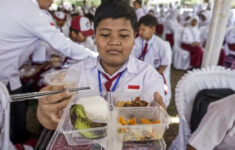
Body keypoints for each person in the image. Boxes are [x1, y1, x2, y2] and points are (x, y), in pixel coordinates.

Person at [37, 0, 166, 130]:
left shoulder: (148, 77)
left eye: (124, 35)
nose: (114, 42)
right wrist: (46, 113)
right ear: (95, 36)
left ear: (134, 38)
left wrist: (158, 117)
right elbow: (54, 122)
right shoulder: (76, 73)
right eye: (105, 34)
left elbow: (156, 126)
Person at [0, 0, 97, 143]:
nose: (52, 2)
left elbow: (51, 44)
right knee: (7, 120)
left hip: (9, 74)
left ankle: (19, 138)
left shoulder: (14, 4)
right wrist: (97, 57)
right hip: (4, 75)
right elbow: (62, 44)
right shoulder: (31, 13)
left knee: (15, 110)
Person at [132, 14, 171, 106]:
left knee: (155, 95)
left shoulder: (162, 45)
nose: (140, 32)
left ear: (153, 29)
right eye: (139, 30)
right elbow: (132, 59)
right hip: (140, 72)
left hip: (156, 73)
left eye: (143, 30)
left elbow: (165, 63)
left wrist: (155, 76)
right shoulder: (136, 42)